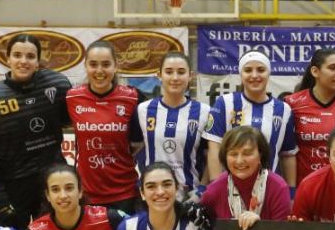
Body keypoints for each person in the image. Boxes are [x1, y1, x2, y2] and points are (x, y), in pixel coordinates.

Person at [0, 33, 71, 228]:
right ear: (7, 58)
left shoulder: (58, 85)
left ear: (38, 60)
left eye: (30, 56)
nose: (23, 61)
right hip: (13, 187)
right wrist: (0, 197)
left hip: (53, 183)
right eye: (17, 55)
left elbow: (71, 121)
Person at [66, 41, 140, 212]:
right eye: (93, 64)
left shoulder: (133, 97)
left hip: (125, 193)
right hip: (87, 193)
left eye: (106, 64)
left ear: (115, 66)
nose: (99, 71)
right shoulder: (72, 97)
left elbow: (140, 141)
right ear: (85, 66)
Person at [204, 50, 297, 186]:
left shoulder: (284, 109)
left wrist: (291, 191)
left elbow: (287, 155)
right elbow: (214, 148)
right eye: (248, 70)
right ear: (241, 75)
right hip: (230, 189)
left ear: (269, 73)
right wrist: (216, 187)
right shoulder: (224, 103)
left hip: (271, 190)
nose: (254, 75)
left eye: (261, 70)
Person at [132, 51, 207, 194]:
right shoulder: (142, 110)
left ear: (190, 75)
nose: (175, 77)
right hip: (152, 194)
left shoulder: (204, 112)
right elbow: (133, 150)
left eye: (181, 72)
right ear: (159, 75)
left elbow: (210, 158)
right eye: (169, 72)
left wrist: (201, 190)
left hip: (190, 194)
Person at [286, 48, 335, 181]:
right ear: (315, 71)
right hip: (304, 187)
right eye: (333, 68)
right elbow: (286, 153)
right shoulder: (292, 104)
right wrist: (291, 191)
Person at [200, 126, 291, 230]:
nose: (239, 161)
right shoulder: (215, 190)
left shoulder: (278, 187)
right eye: (233, 154)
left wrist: (261, 226)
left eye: (247, 153)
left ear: (260, 155)